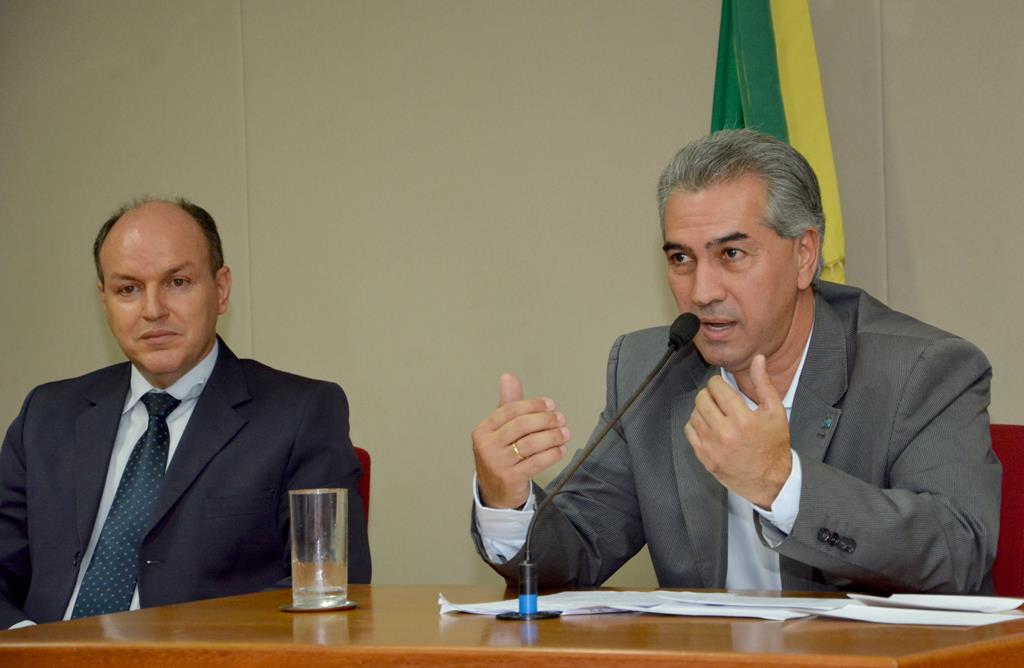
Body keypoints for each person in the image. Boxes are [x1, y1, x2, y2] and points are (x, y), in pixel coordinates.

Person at [470, 129, 1000, 594]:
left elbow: (958, 551)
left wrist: (782, 485)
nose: (702, 291)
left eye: (731, 254)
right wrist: (506, 500)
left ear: (805, 255)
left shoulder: (921, 369)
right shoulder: (651, 370)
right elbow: (576, 548)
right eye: (681, 258)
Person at [0, 198, 371, 628]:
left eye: (177, 282)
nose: (153, 310)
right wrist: (28, 646)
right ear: (104, 300)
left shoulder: (300, 414)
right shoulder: (46, 416)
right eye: (128, 289)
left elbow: (326, 592)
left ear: (221, 288)